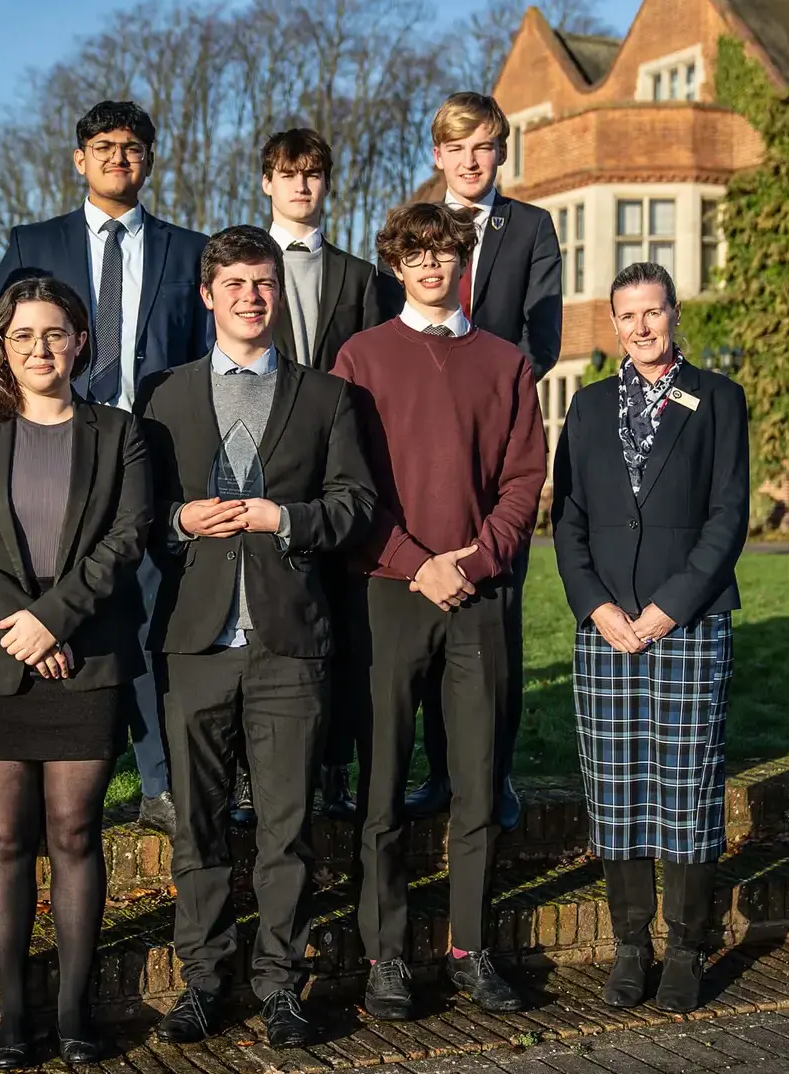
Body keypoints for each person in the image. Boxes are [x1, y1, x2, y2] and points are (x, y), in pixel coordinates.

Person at [138, 226, 375, 1048]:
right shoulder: (162, 398)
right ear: (207, 296)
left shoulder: (327, 397)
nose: (250, 295)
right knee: (198, 826)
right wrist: (177, 518)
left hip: (288, 646)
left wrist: (289, 519)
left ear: (279, 293)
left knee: (287, 830)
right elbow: (136, 517)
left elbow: (356, 505)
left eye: (263, 283)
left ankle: (280, 984)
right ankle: (203, 982)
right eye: (234, 283)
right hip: (194, 646)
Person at [0, 276, 152, 1068]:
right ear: (1, 345)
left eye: (54, 334)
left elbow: (126, 538)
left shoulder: (120, 432)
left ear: (80, 341)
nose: (39, 350)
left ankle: (77, 1011)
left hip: (86, 656)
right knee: (4, 838)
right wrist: (22, 625)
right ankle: (14, 1016)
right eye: (22, 336)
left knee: (76, 834)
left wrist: (55, 618)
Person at [331, 202, 545, 1019]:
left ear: (464, 261)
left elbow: (525, 476)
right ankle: (386, 955)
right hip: (390, 594)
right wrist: (416, 565)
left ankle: (469, 946)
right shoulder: (361, 357)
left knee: (478, 786)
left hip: (479, 596)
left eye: (444, 252)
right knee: (383, 785)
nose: (431, 266)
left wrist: (481, 558)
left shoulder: (505, 361)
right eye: (415, 255)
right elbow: (348, 484)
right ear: (396, 264)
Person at [0, 100, 211, 836]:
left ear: (150, 160)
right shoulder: (33, 241)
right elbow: (0, 350)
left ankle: (159, 782)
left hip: (151, 448)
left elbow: (207, 363)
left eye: (135, 148)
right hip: (57, 447)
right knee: (58, 599)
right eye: (105, 147)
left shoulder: (188, 251)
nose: (120, 158)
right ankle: (54, 771)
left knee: (150, 615)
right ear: (79, 158)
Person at [551, 262, 748, 1014]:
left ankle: (688, 949)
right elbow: (567, 518)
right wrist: (596, 606)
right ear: (613, 323)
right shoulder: (589, 407)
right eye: (628, 315)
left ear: (674, 314)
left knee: (688, 787)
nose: (642, 327)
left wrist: (669, 607)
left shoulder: (718, 400)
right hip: (605, 629)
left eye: (654, 312)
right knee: (618, 788)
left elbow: (729, 517)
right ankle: (630, 945)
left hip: (686, 622)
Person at [406, 91, 562, 833]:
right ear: (438, 154)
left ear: (501, 152)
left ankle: (492, 775)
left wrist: (485, 391)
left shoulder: (530, 228)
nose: (471, 161)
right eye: (457, 148)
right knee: (430, 619)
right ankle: (439, 773)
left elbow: (545, 338)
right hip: (421, 459)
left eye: (485, 147)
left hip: (497, 449)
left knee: (494, 627)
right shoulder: (410, 225)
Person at [254, 126, 389, 826]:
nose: (301, 185)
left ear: (326, 184)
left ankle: (335, 766)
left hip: (334, 463)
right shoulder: (236, 265)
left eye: (313, 174)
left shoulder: (361, 277)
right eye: (288, 173)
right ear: (267, 183)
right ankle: (253, 773)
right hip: (258, 463)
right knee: (255, 622)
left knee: (338, 624)